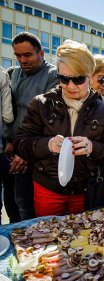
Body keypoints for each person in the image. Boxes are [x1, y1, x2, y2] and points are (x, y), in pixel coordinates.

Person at [14, 40, 104, 217]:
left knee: (83, 240)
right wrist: (48, 144)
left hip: (85, 191)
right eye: (64, 78)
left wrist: (92, 147)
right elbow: (21, 144)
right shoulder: (40, 103)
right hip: (47, 189)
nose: (70, 86)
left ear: (89, 76)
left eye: (78, 79)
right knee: (48, 239)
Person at [6, 32, 59, 220]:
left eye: (27, 55)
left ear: (41, 53)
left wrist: (26, 152)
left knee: (27, 207)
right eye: (18, 56)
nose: (22, 60)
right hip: (12, 150)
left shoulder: (54, 76)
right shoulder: (13, 74)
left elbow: (50, 121)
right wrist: (8, 140)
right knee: (11, 202)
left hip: (35, 156)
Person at [0, 66, 20, 224]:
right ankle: (14, 220)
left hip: (7, 146)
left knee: (9, 187)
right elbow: (8, 117)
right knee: (11, 185)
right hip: (8, 146)